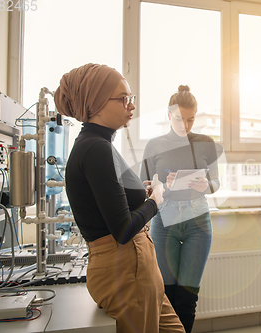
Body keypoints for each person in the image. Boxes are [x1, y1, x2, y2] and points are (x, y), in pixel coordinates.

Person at [54, 63, 184, 333]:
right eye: (124, 98)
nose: (131, 105)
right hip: (125, 268)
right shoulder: (95, 148)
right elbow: (123, 230)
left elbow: (112, 203)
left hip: (136, 267)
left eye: (131, 98)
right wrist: (156, 200)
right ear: (97, 102)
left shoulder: (98, 145)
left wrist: (144, 194)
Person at [140, 85, 221, 333]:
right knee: (167, 295)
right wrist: (162, 185)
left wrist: (206, 184)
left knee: (187, 297)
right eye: (178, 119)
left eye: (190, 120)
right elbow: (144, 189)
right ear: (168, 115)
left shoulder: (206, 143)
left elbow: (216, 183)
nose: (185, 126)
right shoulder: (154, 145)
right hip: (164, 222)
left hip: (198, 222)